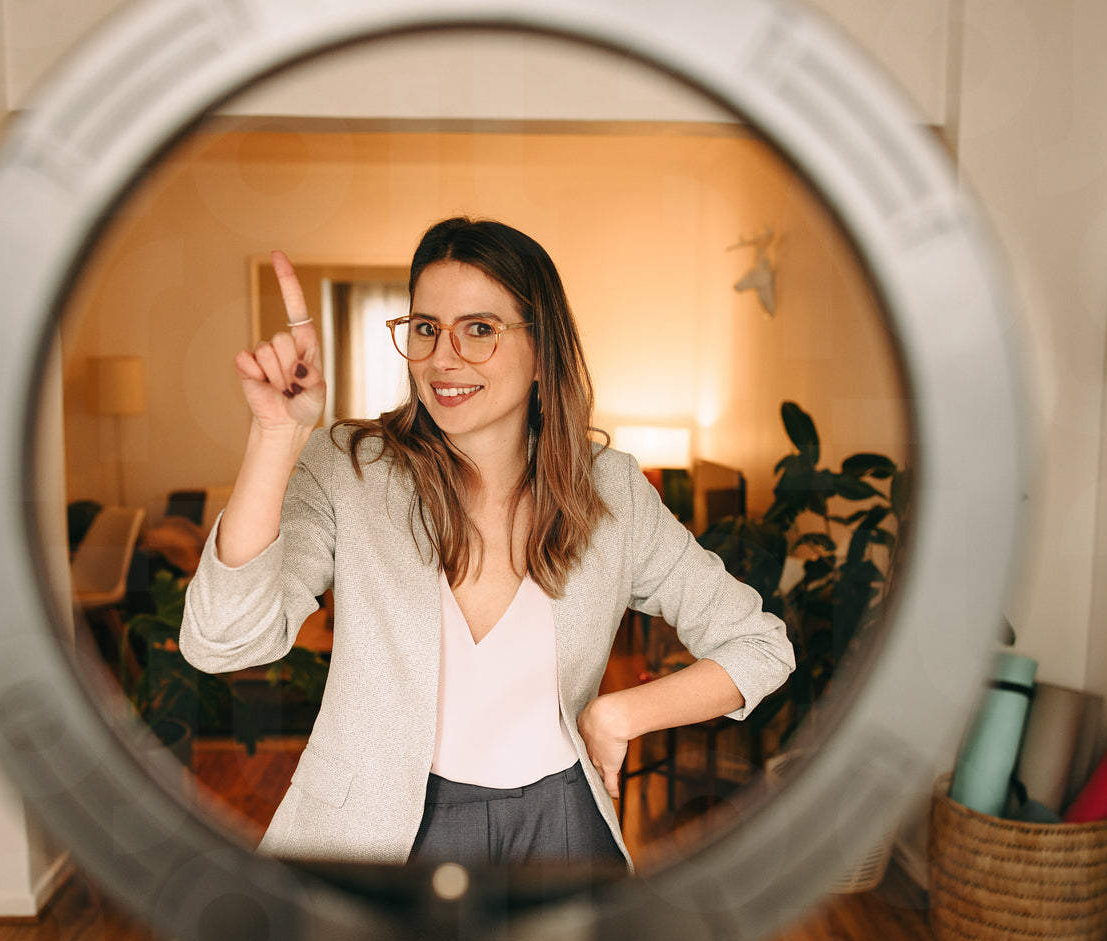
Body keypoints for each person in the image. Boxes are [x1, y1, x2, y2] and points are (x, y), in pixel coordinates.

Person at [180, 217, 793, 872]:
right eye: (425, 328)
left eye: (479, 329)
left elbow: (759, 646)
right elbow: (223, 642)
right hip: (376, 832)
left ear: (542, 351)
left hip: (562, 826)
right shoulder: (348, 468)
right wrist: (275, 436)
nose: (443, 358)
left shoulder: (610, 491)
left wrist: (621, 715)